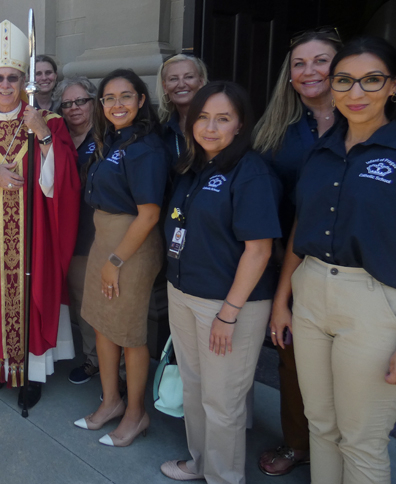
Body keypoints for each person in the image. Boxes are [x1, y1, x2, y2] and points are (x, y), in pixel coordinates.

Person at [276, 36, 396, 484]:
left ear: (392, 87)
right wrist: (282, 298)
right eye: (345, 80)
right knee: (321, 425)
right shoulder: (321, 153)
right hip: (310, 292)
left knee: (361, 438)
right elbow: (300, 230)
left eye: (372, 80)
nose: (356, 92)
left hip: (374, 302)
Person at [0, 20, 80, 409]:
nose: (5, 85)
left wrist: (41, 135)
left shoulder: (50, 123)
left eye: (13, 78)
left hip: (34, 238)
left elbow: (67, 183)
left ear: (25, 81)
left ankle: (32, 374)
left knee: (33, 291)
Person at [159, 81, 282, 483]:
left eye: (223, 119)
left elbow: (259, 251)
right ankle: (202, 463)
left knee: (223, 400)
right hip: (184, 293)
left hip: (227, 305)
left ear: (240, 124)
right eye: (203, 118)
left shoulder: (251, 172)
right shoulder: (193, 167)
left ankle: (224, 477)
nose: (210, 127)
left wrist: (228, 314)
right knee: (194, 389)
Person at [252, 28, 342, 477]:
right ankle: (297, 442)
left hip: (353, 263)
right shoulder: (278, 132)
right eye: (300, 64)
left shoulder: (366, 125)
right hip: (290, 256)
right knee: (291, 356)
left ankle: (343, 449)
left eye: (321, 61)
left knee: (347, 366)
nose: (310, 72)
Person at [73, 69, 167, 448]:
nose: (117, 105)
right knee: (101, 323)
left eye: (125, 96)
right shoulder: (111, 141)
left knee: (128, 333)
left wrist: (115, 261)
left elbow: (149, 214)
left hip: (131, 245)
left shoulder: (146, 147)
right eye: (109, 98)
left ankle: (135, 413)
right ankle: (111, 401)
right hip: (104, 237)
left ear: (141, 100)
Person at [51, 76, 101, 384]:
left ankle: (118, 373)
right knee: (81, 302)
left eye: (80, 101)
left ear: (93, 102)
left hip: (102, 235)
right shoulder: (60, 137)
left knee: (105, 306)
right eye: (67, 104)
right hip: (70, 235)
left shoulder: (108, 136)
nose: (74, 108)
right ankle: (94, 359)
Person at [157, 55, 208, 166]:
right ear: (165, 87)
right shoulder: (162, 132)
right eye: (174, 79)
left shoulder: (216, 126)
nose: (181, 84)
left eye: (189, 77)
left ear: (201, 82)